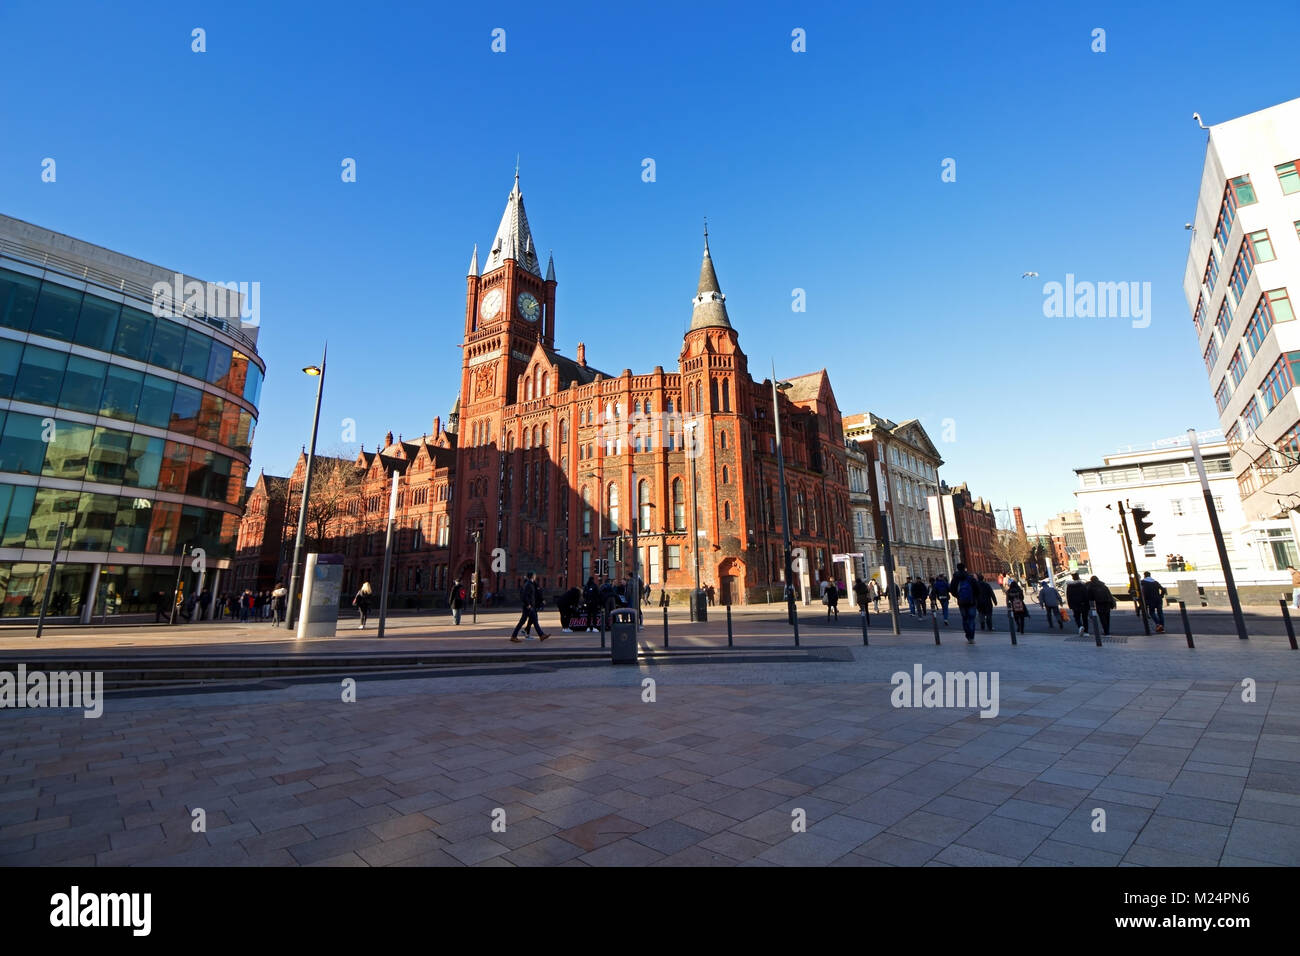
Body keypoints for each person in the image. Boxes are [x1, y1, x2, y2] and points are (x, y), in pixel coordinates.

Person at [510, 571, 548, 642]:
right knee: (531, 621)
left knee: (528, 621)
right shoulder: (528, 584)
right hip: (529, 607)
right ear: (533, 576)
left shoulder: (530, 584)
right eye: (535, 575)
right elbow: (524, 596)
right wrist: (528, 605)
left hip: (530, 606)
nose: (535, 576)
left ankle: (541, 635)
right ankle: (541, 635)